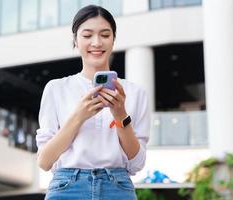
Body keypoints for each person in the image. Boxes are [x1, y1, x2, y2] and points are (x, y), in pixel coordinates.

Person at [36, 5, 150, 200]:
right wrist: (79, 116)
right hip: (66, 188)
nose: (96, 42)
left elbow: (137, 163)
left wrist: (120, 114)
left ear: (113, 40)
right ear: (75, 40)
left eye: (105, 35)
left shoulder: (135, 93)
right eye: (87, 35)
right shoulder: (56, 89)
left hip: (117, 187)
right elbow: (45, 161)